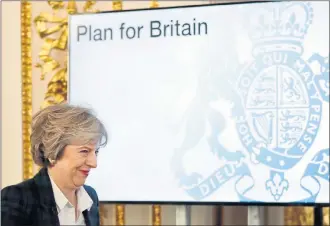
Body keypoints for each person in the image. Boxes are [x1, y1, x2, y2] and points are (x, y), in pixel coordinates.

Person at [1, 103, 108, 226]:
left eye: (96, 152)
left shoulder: (90, 196)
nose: (94, 163)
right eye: (84, 151)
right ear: (52, 151)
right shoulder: (18, 198)